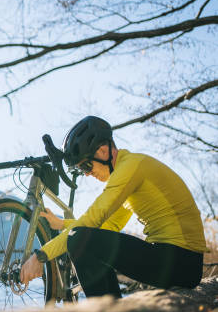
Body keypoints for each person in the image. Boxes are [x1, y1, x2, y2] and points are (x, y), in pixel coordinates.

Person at [20, 116, 207, 298]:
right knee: (82, 238)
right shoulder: (131, 170)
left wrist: (41, 256)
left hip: (180, 262)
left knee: (77, 240)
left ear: (103, 151)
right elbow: (108, 226)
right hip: (181, 262)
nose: (86, 174)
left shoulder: (131, 168)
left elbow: (89, 223)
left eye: (86, 166)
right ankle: (113, 310)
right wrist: (62, 224)